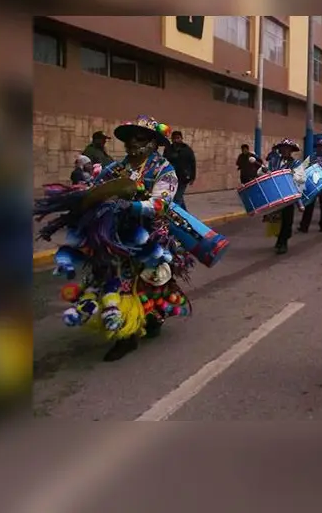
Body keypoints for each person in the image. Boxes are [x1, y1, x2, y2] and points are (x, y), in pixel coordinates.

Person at [35, 115, 201, 362]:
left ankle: (149, 318)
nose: (133, 142)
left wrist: (131, 207)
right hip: (113, 235)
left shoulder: (164, 170)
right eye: (130, 138)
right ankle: (127, 333)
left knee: (152, 281)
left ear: (154, 142)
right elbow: (95, 190)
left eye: (141, 138)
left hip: (149, 235)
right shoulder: (116, 168)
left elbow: (160, 204)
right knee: (115, 279)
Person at [261, 139, 302, 254]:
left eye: (287, 148)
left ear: (290, 151)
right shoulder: (273, 161)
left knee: (287, 219)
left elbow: (301, 178)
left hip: (288, 194)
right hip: (275, 194)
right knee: (276, 220)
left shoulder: (296, 164)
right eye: (283, 148)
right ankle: (280, 239)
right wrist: (264, 171)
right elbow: (262, 172)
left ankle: (283, 242)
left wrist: (292, 175)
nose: (284, 150)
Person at [164, 130, 197, 210]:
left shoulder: (187, 150)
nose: (176, 140)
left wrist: (193, 177)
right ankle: (186, 214)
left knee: (177, 198)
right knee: (178, 197)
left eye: (178, 138)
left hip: (183, 178)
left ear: (181, 138)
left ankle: (177, 214)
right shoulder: (168, 149)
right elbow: (164, 161)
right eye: (174, 138)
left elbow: (193, 163)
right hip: (171, 177)